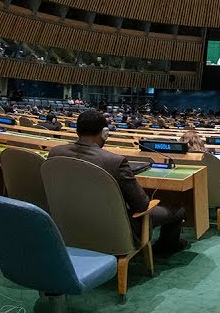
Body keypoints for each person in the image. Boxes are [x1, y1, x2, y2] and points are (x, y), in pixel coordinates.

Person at [48, 110, 189, 257]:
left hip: (69, 223)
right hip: (112, 229)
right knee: (178, 211)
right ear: (105, 133)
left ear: (77, 131)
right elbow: (141, 205)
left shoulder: (55, 153)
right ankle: (164, 249)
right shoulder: (115, 161)